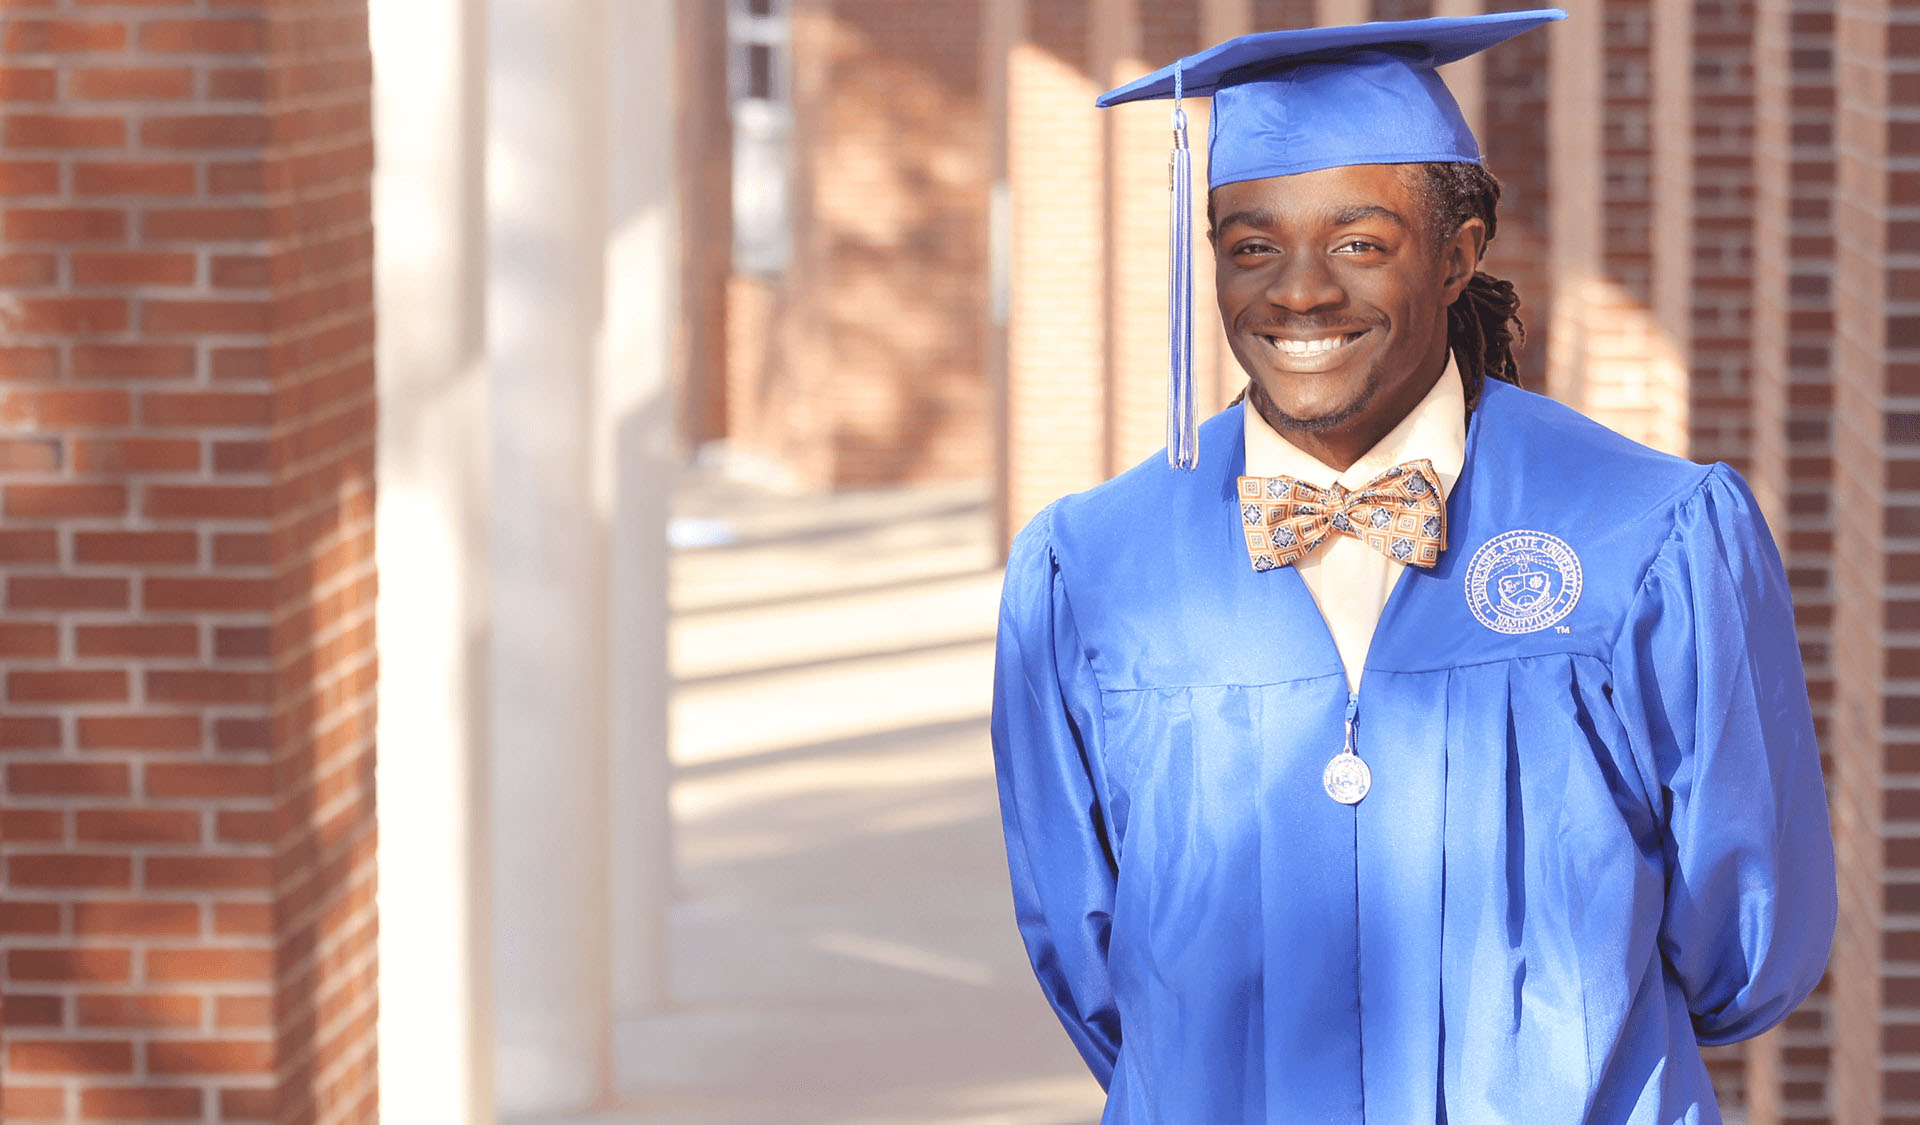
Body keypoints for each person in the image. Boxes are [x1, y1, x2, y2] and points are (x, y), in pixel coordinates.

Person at [987, 10, 1837, 1123]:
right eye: (1253, 245)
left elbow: (1746, 935)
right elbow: (1089, 953)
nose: (1299, 292)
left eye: (1359, 244)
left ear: (1457, 254)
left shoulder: (1649, 535)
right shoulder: (1090, 569)